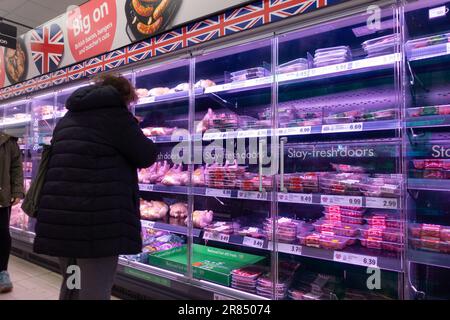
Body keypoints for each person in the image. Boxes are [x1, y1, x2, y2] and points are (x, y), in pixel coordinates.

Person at [33, 75, 157, 300]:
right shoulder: (116, 117)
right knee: (94, 292)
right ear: (124, 97)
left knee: (73, 284)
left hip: (62, 223)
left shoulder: (68, 117)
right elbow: (146, 155)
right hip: (96, 227)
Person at [0, 132, 24, 293]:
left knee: (2, 234)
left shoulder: (7, 141)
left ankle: (2, 272)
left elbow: (16, 166)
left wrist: (17, 191)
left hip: (2, 197)